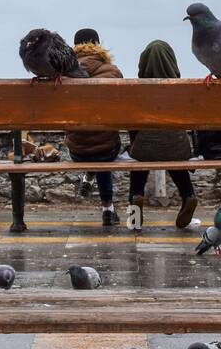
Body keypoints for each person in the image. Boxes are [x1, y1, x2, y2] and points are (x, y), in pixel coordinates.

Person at [128, 39, 198, 230]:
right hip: (177, 146)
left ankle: (136, 198)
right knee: (173, 153)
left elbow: (131, 125)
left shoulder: (136, 90)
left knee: (140, 158)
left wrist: (135, 143)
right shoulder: (182, 90)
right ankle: (188, 195)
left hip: (144, 147)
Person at [67, 28, 124, 226]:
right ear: (98, 46)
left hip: (77, 150)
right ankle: (108, 209)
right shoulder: (112, 71)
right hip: (107, 149)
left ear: (73, 47)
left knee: (94, 146)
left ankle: (89, 174)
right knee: (103, 148)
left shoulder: (64, 73)